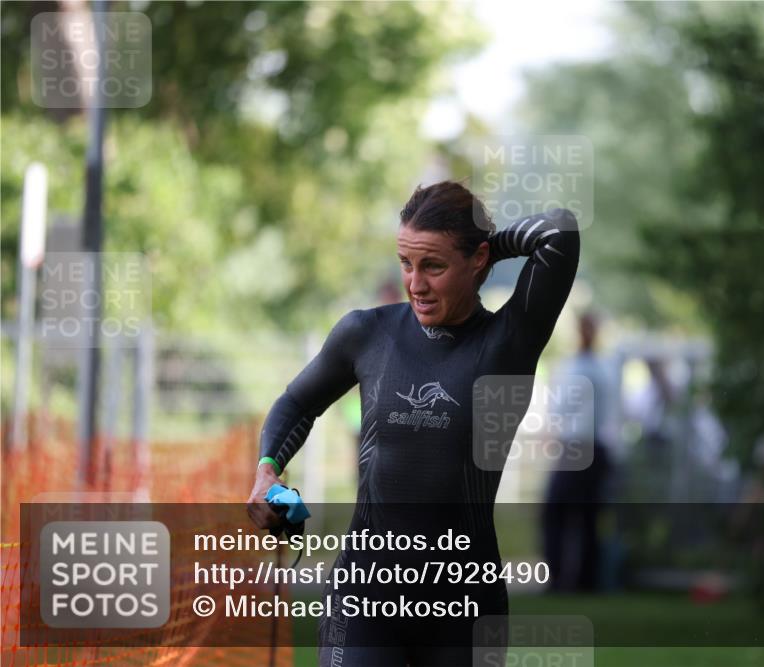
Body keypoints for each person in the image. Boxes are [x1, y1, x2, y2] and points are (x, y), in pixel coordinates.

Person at [246, 181, 579, 666]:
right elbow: (297, 403)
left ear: (478, 259)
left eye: (434, 265)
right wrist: (266, 470)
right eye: (406, 262)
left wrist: (483, 243)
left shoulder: (510, 341)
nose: (415, 283)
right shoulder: (367, 334)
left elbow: (561, 232)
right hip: (364, 598)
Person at [542, 311, 615, 591]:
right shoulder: (602, 368)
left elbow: (562, 408)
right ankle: (585, 580)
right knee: (587, 518)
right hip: (595, 448)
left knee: (556, 514)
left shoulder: (580, 368)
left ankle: (559, 579)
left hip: (577, 446)